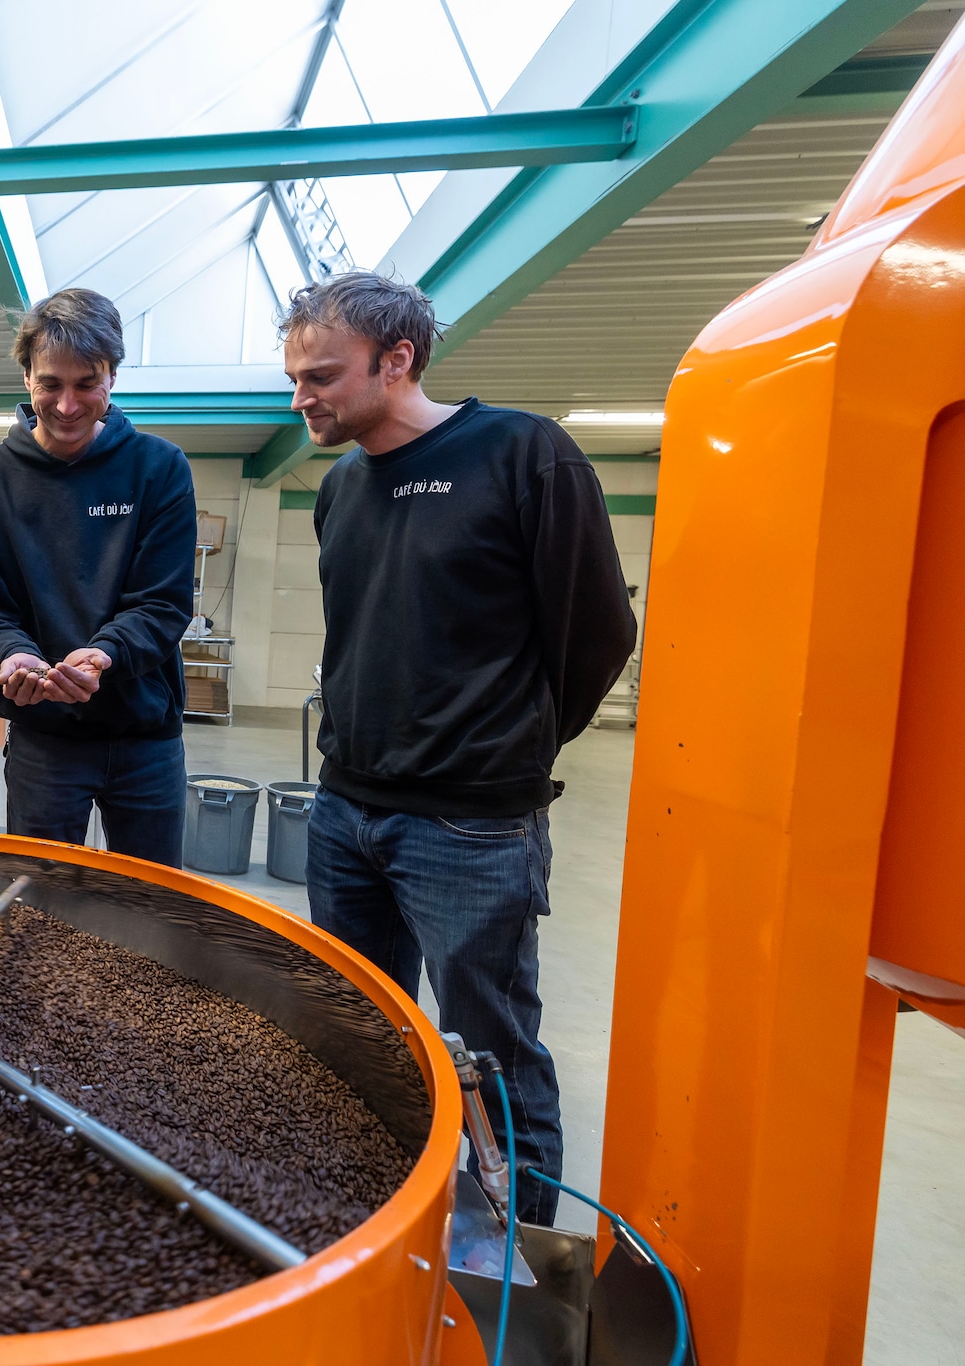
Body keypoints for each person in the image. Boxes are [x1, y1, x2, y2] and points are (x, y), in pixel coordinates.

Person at [283, 271, 637, 1223]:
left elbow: (597, 634)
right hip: (346, 810)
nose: (300, 398)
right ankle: (373, 1205)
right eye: (296, 378)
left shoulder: (523, 455)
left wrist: (506, 749)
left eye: (319, 377)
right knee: (354, 1021)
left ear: (397, 360)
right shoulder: (343, 489)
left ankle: (523, 1240)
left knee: (490, 1040)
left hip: (470, 829)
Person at [0, 288, 198, 866]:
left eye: (87, 383)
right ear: (27, 378)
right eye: (50, 384)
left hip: (145, 739)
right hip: (44, 740)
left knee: (152, 902)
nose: (65, 405)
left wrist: (104, 656)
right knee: (39, 903)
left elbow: (161, 604)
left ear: (112, 376)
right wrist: (10, 656)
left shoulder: (158, 469)